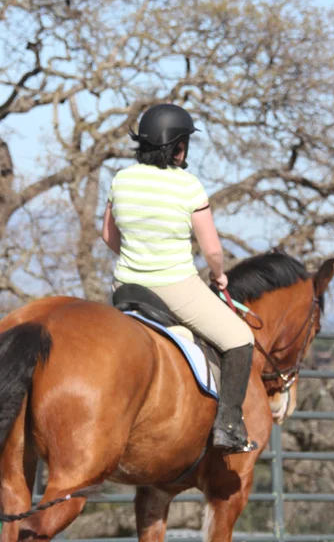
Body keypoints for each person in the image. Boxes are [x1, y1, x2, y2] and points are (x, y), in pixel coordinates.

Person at [102, 103, 256, 453]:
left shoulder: (121, 179)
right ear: (177, 146)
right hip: (176, 289)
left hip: (125, 287)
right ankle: (229, 425)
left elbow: (107, 235)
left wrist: (136, 259)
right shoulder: (188, 186)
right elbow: (213, 251)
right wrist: (219, 277)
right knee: (239, 339)